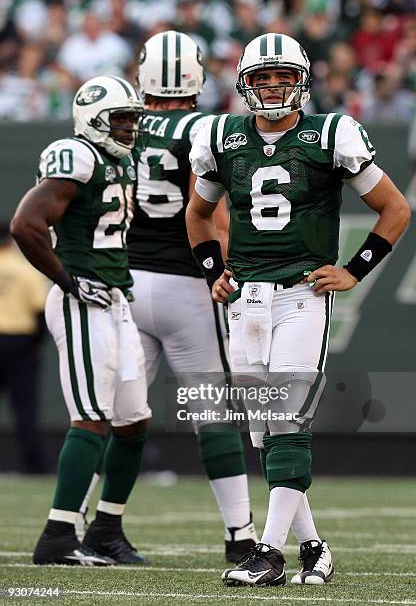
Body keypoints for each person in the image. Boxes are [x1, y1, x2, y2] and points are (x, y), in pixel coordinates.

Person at [186, 33, 410, 587]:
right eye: (262, 77)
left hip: (301, 294)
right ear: (245, 83)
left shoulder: (330, 133)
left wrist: (354, 269)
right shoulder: (219, 136)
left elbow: (395, 209)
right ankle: (312, 546)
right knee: (264, 432)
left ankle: (268, 552)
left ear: (301, 81)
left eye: (283, 76)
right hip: (245, 302)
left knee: (287, 420)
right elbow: (197, 214)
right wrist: (215, 272)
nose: (273, 86)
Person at [127, 30, 257, 562]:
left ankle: (83, 522)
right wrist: (228, 272)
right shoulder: (206, 127)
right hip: (185, 285)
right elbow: (213, 215)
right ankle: (239, 533)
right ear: (195, 77)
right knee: (211, 410)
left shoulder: (121, 120)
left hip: (127, 283)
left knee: (117, 412)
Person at [11, 75, 151, 566]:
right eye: (122, 118)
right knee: (91, 418)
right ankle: (57, 535)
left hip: (116, 300)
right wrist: (69, 281)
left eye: (133, 118)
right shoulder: (78, 154)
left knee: (133, 421)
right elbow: (26, 224)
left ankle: (106, 530)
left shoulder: (119, 158)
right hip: (82, 300)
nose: (130, 127)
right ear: (94, 119)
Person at [0, 222, 48, 473]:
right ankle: (33, 466)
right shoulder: (25, 269)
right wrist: (38, 344)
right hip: (20, 344)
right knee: (25, 409)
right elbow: (40, 311)